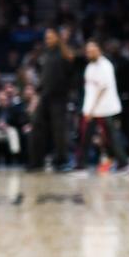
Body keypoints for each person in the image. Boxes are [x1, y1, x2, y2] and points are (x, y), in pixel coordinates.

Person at [28, 27, 75, 171]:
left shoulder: (65, 53)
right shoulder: (44, 54)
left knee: (59, 131)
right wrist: (36, 94)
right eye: (46, 36)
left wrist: (67, 92)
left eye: (50, 36)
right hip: (44, 97)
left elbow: (71, 76)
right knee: (36, 126)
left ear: (57, 37)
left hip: (59, 98)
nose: (47, 39)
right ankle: (36, 162)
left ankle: (62, 162)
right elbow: (42, 77)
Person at [77, 41, 129, 172]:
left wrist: (91, 110)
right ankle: (81, 164)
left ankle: (124, 163)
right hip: (92, 109)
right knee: (86, 136)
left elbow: (102, 89)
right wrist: (87, 108)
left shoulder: (106, 65)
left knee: (111, 137)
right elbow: (90, 91)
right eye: (87, 51)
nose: (89, 53)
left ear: (99, 50)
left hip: (105, 108)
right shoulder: (89, 67)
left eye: (92, 50)